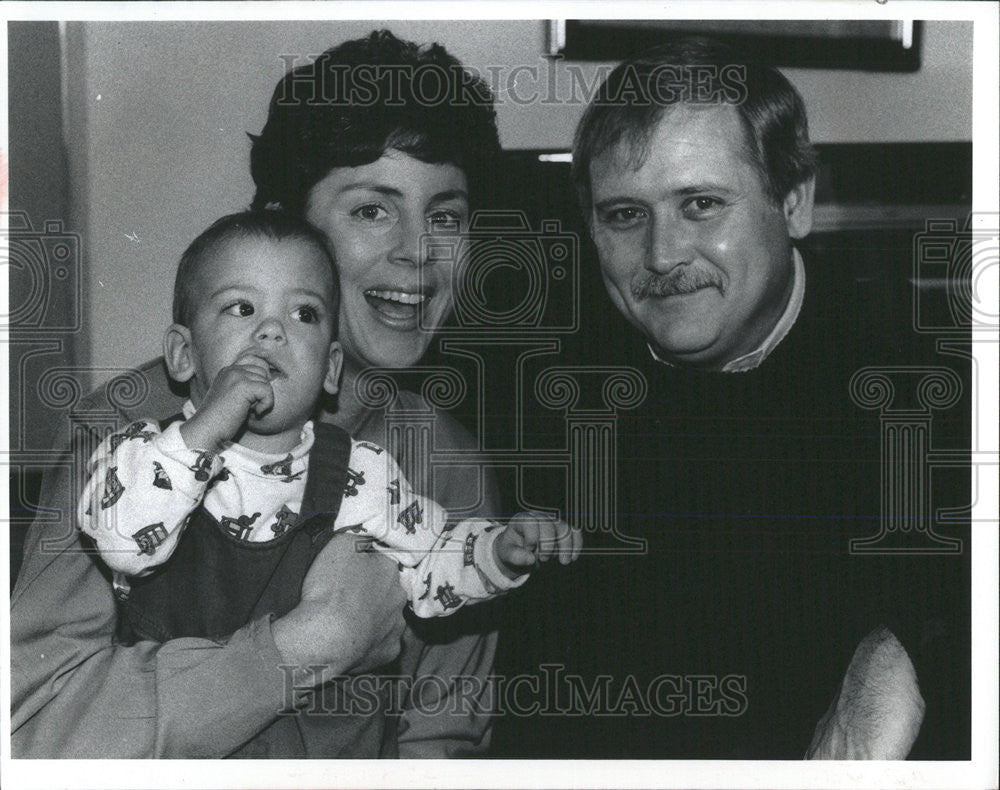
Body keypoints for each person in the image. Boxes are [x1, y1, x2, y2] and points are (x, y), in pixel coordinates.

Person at [11, 30, 514, 758]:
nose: (417, 252)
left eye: (445, 216)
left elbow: (444, 737)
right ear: (286, 220)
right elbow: (29, 727)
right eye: (372, 209)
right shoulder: (127, 430)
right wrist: (306, 647)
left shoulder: (447, 463)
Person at [493, 36, 969, 759]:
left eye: (702, 205)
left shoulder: (932, 397)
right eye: (625, 214)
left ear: (796, 202)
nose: (661, 255)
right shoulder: (541, 397)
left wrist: (910, 652)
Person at [80, 209, 580, 632]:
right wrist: (206, 430)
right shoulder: (142, 453)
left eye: (304, 315)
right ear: (183, 353)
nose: (272, 331)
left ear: (330, 369)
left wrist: (499, 551)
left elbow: (430, 565)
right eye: (242, 308)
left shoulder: (361, 474)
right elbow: (125, 546)